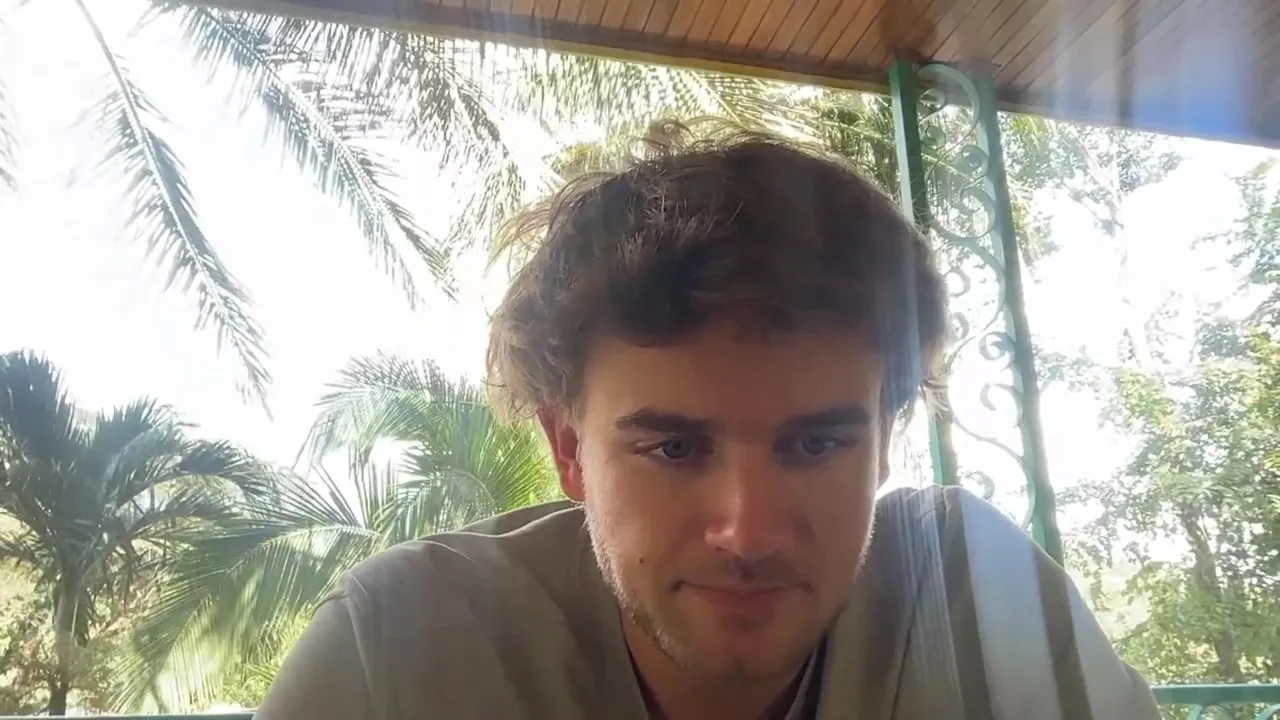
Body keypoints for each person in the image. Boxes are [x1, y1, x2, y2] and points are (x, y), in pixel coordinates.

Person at [256, 121, 1160, 720]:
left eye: (817, 443)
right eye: (675, 447)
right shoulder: (401, 650)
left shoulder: (980, 605)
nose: (750, 532)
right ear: (569, 452)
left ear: (884, 446)